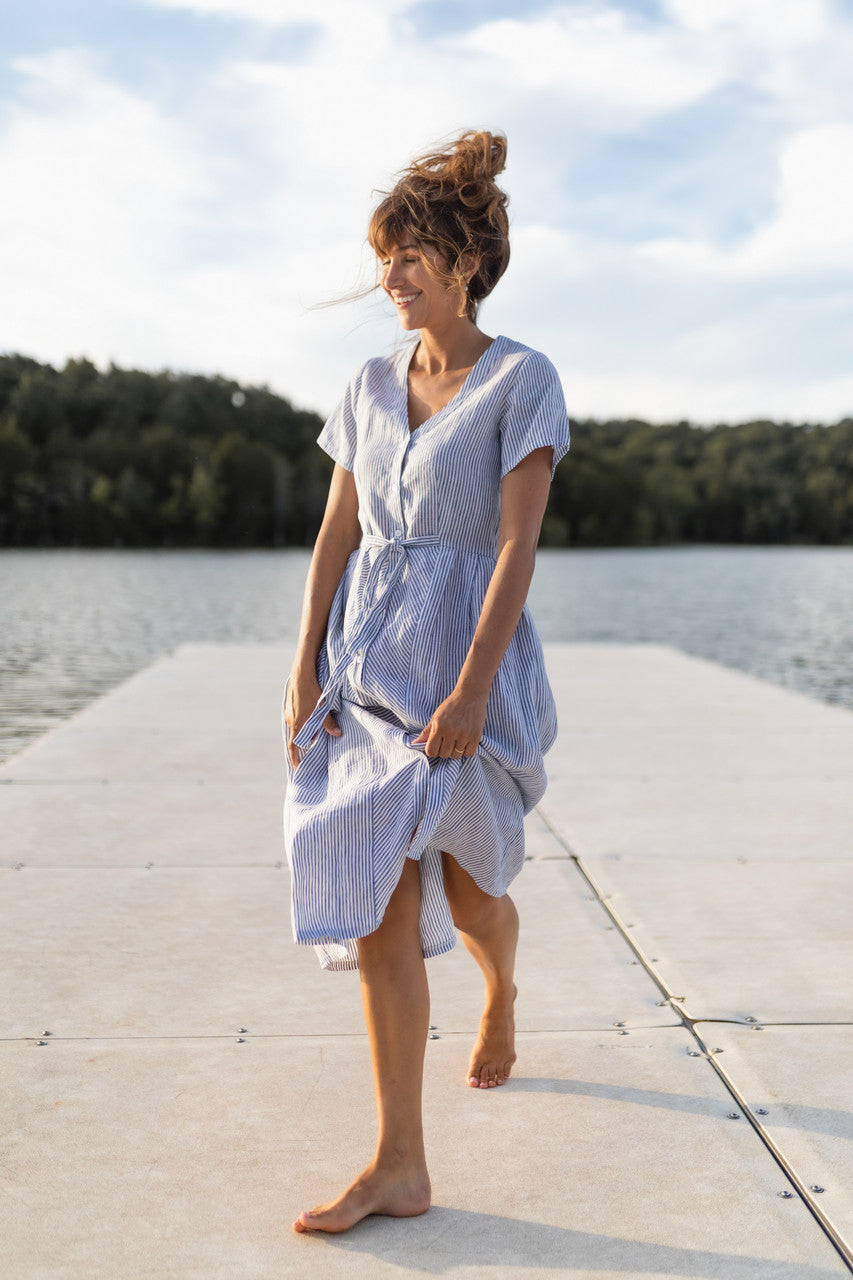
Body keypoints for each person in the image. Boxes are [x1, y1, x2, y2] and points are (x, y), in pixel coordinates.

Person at [282, 128, 570, 1234]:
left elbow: (513, 547)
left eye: (408, 255)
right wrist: (299, 666)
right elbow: (335, 532)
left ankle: (499, 984)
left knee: (467, 887)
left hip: (464, 671)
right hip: (365, 674)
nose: (389, 277)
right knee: (377, 903)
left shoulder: (521, 379)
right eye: (383, 256)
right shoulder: (364, 382)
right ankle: (399, 1161)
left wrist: (467, 690)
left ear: (462, 261)